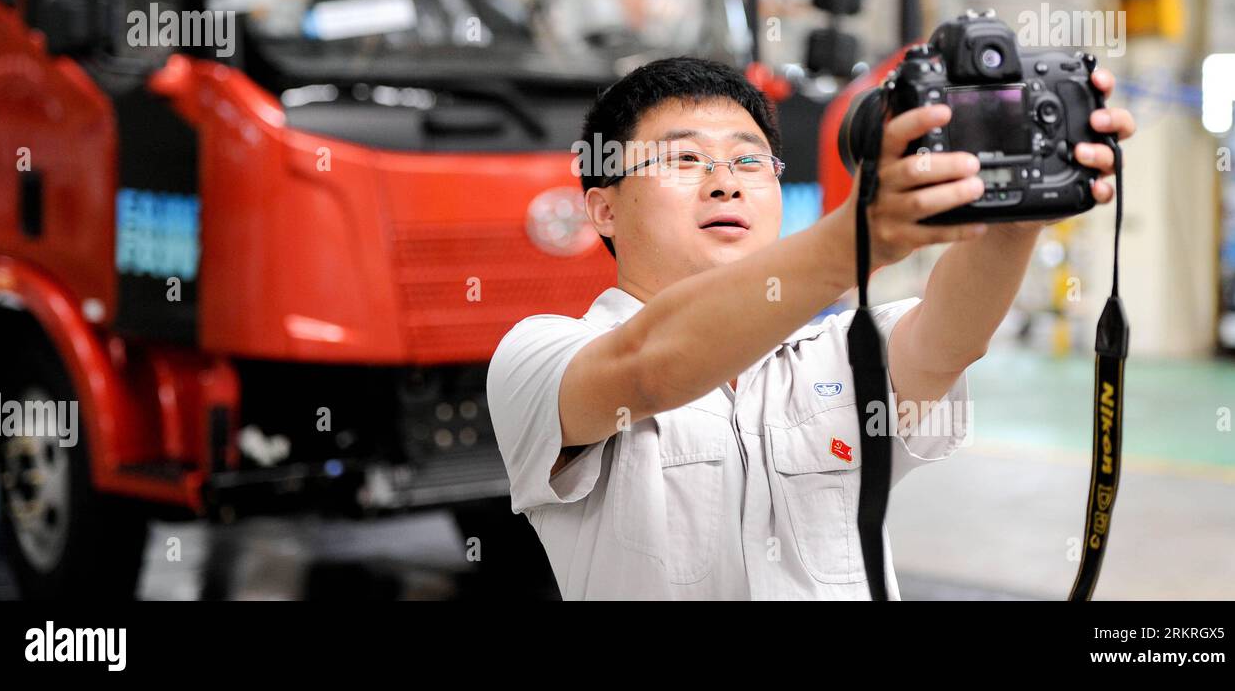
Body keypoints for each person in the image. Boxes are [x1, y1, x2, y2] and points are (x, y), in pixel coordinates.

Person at [487, 56, 1136, 599]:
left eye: (749, 163)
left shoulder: (836, 355)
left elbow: (951, 337)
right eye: (684, 161)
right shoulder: (539, 358)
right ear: (602, 209)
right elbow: (647, 370)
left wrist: (1019, 210)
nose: (724, 185)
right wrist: (855, 239)